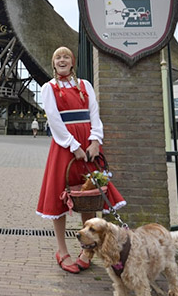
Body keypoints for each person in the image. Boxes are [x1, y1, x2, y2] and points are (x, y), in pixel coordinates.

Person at [35, 46, 126, 274]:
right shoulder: (49, 88)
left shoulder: (85, 85)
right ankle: (62, 250)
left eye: (66, 56)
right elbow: (54, 120)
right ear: (53, 63)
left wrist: (95, 140)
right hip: (65, 145)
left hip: (88, 143)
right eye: (58, 57)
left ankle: (87, 250)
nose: (62, 59)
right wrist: (72, 145)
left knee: (90, 195)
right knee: (60, 196)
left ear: (72, 62)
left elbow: (94, 113)